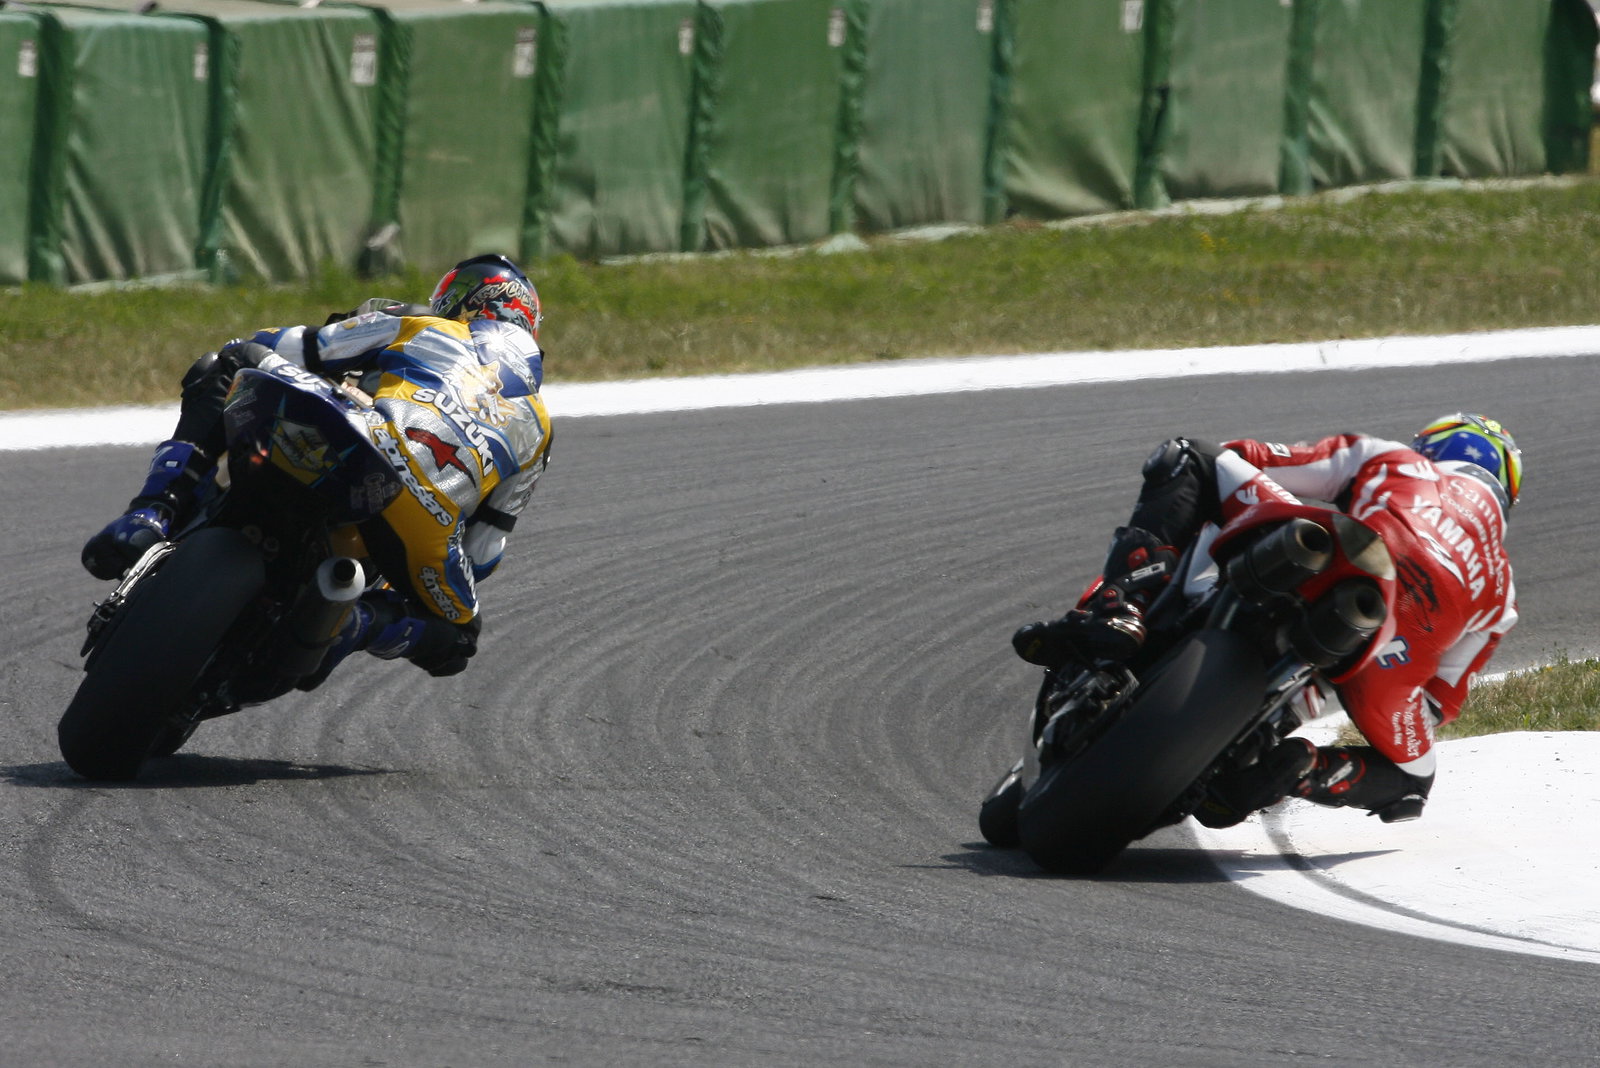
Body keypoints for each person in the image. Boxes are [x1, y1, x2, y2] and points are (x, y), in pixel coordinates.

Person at [1012, 413, 1521, 826]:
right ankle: (1297, 769)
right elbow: (1437, 703)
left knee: (1189, 457)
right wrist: (1368, 682)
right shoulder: (1502, 591)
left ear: (1433, 447)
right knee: (1413, 782)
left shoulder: (1397, 459)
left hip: (1324, 548)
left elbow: (1249, 457)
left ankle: (1122, 605)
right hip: (1385, 649)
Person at [81, 253, 552, 681]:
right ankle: (351, 624)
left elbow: (291, 345)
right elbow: (483, 552)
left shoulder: (422, 324)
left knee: (229, 359)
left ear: (461, 300)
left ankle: (151, 511)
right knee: (459, 640)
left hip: (365, 439)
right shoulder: (540, 428)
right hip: (425, 522)